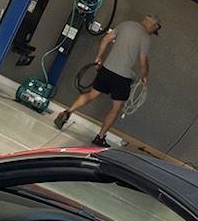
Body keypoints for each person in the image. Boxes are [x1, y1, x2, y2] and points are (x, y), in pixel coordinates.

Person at [54, 15, 160, 145]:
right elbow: (143, 61)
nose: (152, 33)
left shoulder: (125, 24)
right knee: (116, 107)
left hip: (106, 69)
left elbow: (106, 39)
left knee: (92, 94)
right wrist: (144, 76)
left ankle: (67, 112)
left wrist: (99, 57)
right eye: (153, 30)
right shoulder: (145, 37)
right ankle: (100, 137)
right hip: (123, 77)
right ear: (152, 25)